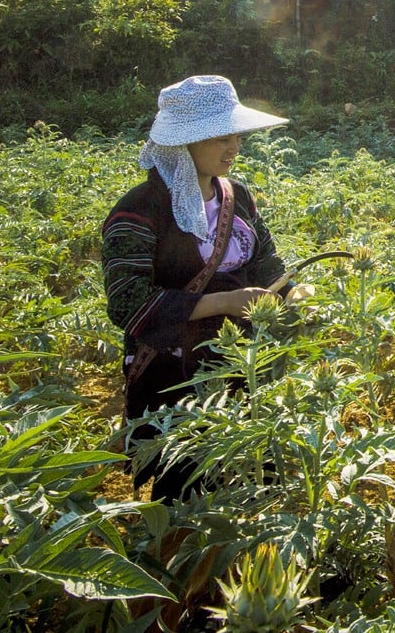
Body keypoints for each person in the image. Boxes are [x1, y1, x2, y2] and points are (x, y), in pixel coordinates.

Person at [101, 74, 296, 502]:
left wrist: (292, 293)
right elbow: (127, 302)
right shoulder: (140, 209)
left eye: (236, 135)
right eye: (221, 137)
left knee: (245, 473)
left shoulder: (237, 196)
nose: (234, 146)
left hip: (239, 360)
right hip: (175, 373)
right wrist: (224, 302)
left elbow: (266, 262)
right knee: (186, 486)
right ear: (184, 141)